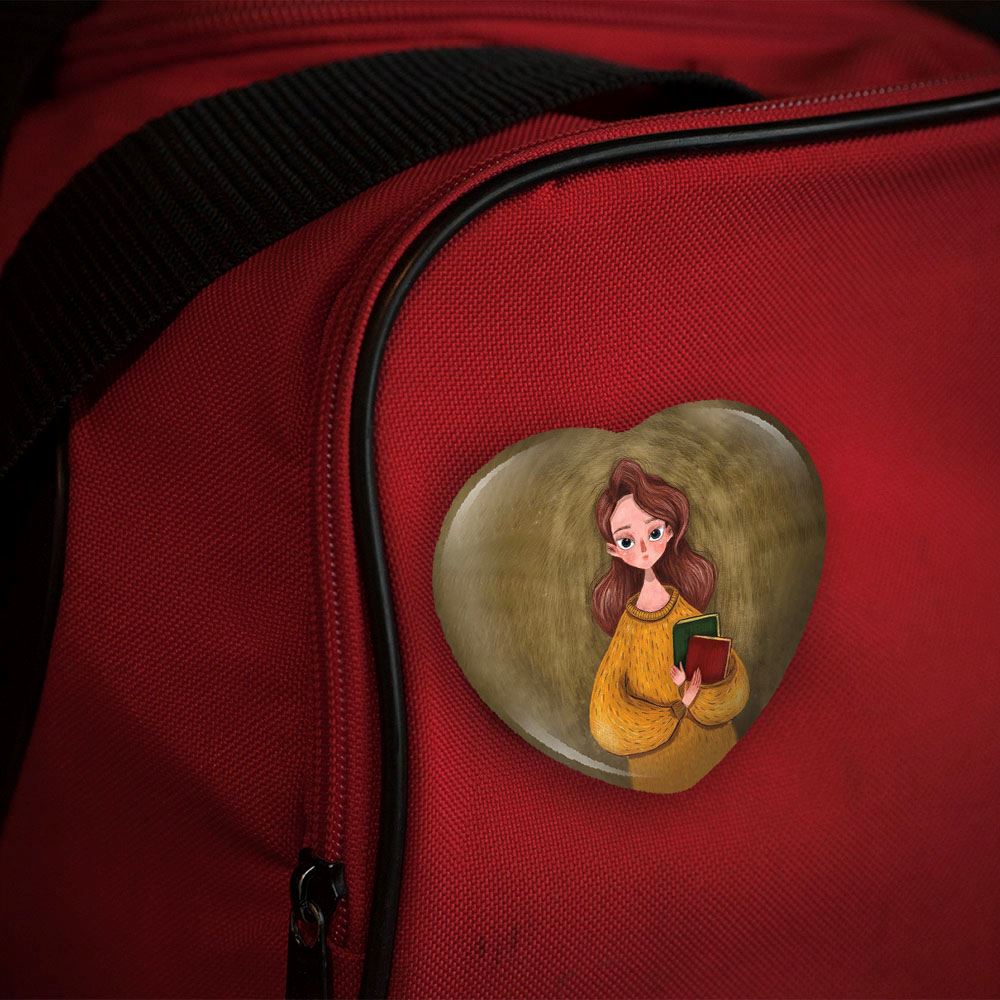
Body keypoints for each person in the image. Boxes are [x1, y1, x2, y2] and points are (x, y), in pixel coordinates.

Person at [589, 457, 750, 793]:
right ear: (614, 550)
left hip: (714, 749)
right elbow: (607, 715)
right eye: (627, 541)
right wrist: (676, 710)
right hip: (657, 766)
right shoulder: (628, 629)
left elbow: (731, 686)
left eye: (654, 532)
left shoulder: (687, 615)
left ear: (671, 531)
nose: (643, 548)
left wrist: (696, 689)